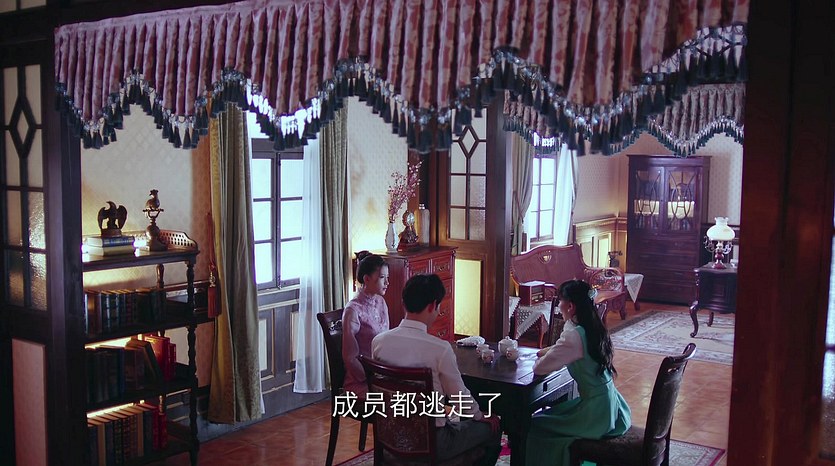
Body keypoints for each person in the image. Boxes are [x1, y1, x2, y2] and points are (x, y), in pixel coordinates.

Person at [372, 274, 502, 466]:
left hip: (391, 437)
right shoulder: (439, 349)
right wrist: (481, 415)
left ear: (403, 303)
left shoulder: (379, 342)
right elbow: (459, 397)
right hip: (432, 444)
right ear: (433, 305)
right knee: (493, 428)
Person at [525, 279, 632, 466]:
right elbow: (565, 348)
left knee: (534, 425)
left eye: (560, 301)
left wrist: (542, 356)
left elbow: (539, 368)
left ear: (571, 306)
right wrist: (549, 351)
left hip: (596, 414)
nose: (558, 305)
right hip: (611, 405)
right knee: (548, 417)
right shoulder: (591, 326)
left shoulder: (574, 335)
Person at [342, 251, 390, 397]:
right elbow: (350, 358)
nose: (387, 283)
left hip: (382, 374)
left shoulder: (381, 302)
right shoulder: (353, 310)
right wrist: (372, 377)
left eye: (387, 278)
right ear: (367, 279)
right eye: (382, 278)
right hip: (362, 381)